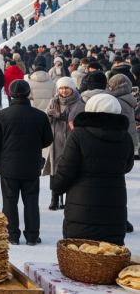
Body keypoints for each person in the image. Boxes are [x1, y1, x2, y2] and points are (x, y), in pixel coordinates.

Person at [52, 94, 134, 245]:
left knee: (80, 249)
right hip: (114, 201)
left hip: (81, 201)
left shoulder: (78, 134)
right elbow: (127, 167)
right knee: (109, 250)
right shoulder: (125, 137)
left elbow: (66, 168)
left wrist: (57, 187)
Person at [0, 80, 52, 246]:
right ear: (28, 94)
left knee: (9, 201)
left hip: (8, 165)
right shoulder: (40, 116)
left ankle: (12, 235)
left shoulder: (1, 116)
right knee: (31, 201)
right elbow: (47, 140)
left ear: (11, 95)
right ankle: (32, 236)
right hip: (32, 165)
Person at [43, 77, 84, 210]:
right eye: (61, 88)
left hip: (72, 142)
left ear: (72, 88)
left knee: (70, 170)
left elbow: (78, 121)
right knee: (55, 171)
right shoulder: (53, 101)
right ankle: (55, 199)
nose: (64, 91)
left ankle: (69, 200)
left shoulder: (79, 103)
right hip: (56, 142)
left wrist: (60, 116)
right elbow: (45, 121)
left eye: (66, 88)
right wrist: (49, 115)